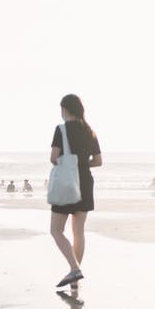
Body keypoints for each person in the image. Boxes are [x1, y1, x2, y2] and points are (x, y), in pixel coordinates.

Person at [50, 94, 102, 289]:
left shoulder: (61, 130)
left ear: (65, 109)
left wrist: (68, 164)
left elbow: (54, 157)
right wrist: (80, 164)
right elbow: (98, 161)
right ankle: (75, 279)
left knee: (55, 230)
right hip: (85, 183)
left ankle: (74, 269)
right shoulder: (90, 132)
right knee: (78, 232)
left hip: (66, 184)